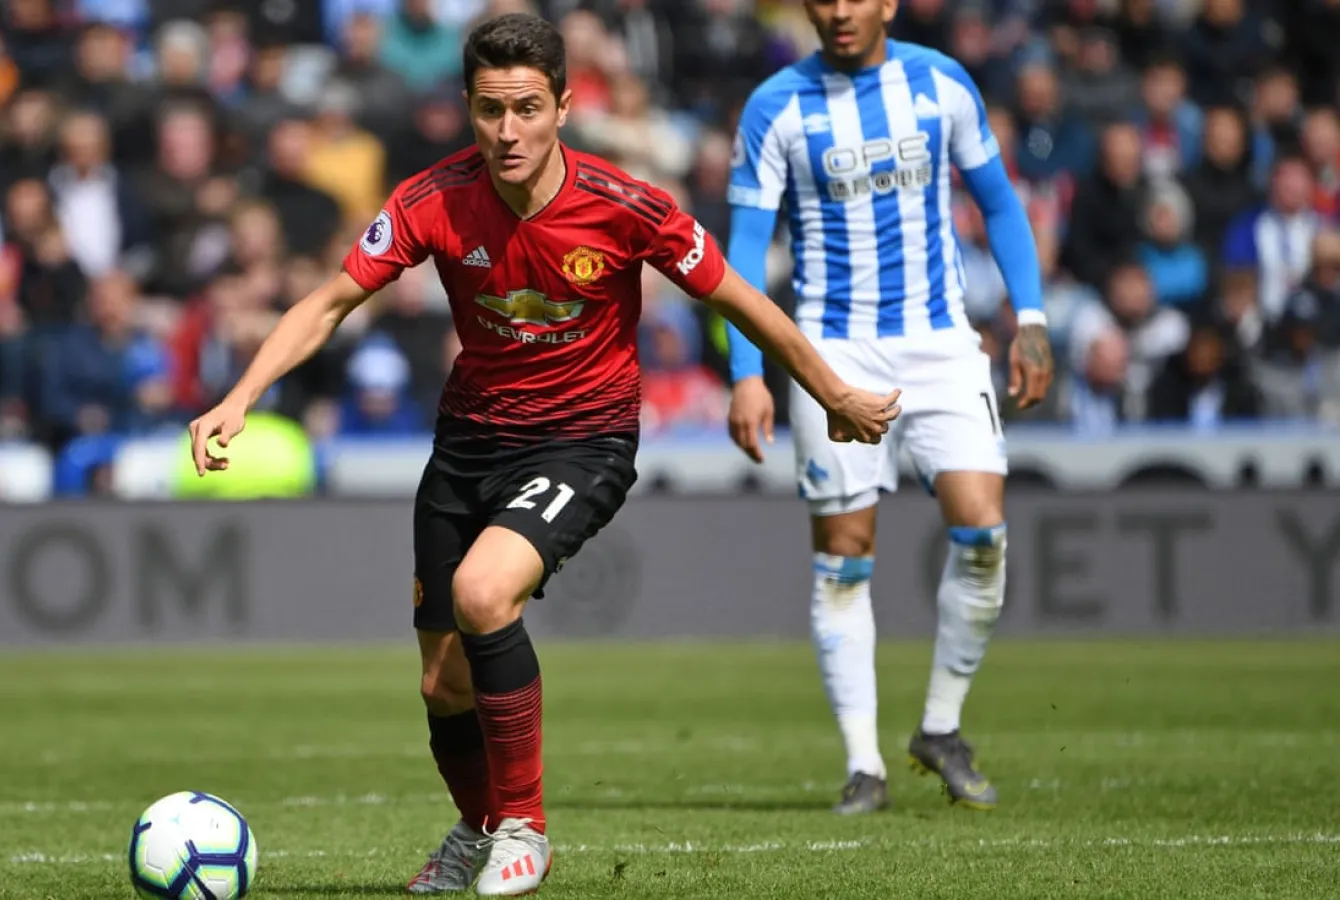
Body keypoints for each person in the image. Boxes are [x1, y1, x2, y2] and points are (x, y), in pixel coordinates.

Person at [187, 13, 902, 897]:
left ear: (564, 104)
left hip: (583, 440)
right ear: (468, 108)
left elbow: (741, 300)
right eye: (490, 110)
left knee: (484, 593)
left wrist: (828, 391)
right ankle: (476, 829)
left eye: (527, 108)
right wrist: (240, 395)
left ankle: (524, 828)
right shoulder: (431, 201)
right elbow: (330, 302)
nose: (508, 131)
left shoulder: (626, 206)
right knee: (442, 686)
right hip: (468, 443)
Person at [724, 0, 1055, 816]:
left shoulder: (941, 83)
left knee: (982, 532)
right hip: (831, 354)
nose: (838, 11)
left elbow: (1001, 203)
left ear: (889, 3)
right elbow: (739, 248)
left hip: (942, 344)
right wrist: (746, 370)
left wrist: (1033, 320)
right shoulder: (775, 105)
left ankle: (940, 727)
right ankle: (863, 764)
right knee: (845, 555)